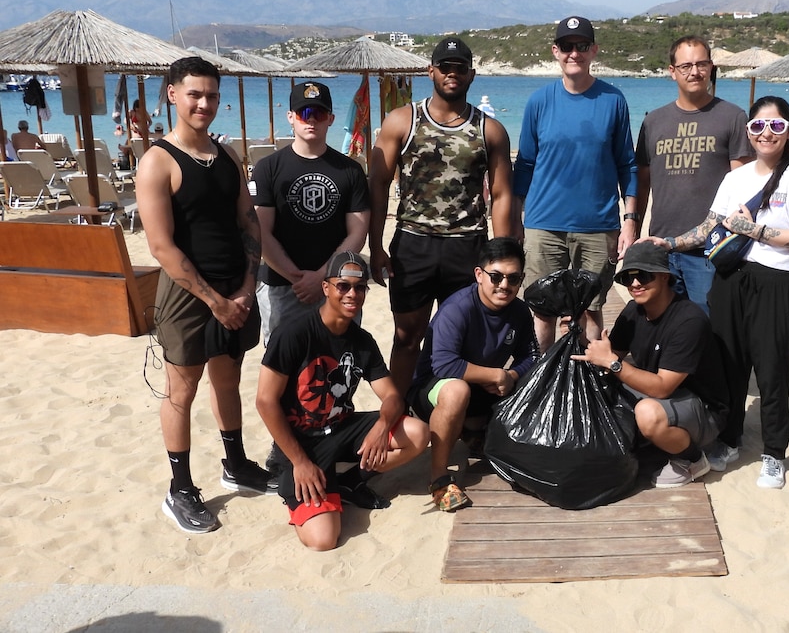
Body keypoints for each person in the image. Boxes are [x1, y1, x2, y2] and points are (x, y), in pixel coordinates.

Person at [646, 96, 789, 489]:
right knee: (730, 365)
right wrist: (670, 244)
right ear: (749, 132)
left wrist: (755, 230)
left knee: (772, 370)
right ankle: (729, 438)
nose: (767, 134)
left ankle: (774, 454)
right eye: (759, 126)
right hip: (730, 279)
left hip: (777, 284)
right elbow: (710, 227)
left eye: (776, 126)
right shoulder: (735, 179)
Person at [136, 56, 274, 534]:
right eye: (194, 94)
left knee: (227, 379)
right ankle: (179, 489)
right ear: (172, 94)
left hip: (235, 288)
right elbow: (161, 246)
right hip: (187, 296)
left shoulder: (226, 156)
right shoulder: (158, 162)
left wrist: (245, 287)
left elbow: (248, 221)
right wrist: (216, 300)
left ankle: (235, 462)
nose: (204, 103)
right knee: (182, 390)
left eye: (212, 95)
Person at [368, 36, 514, 396]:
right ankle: (398, 414)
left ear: (471, 75)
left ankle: (463, 418)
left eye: (460, 68)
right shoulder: (402, 121)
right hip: (413, 245)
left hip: (468, 248)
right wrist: (375, 246)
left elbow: (502, 195)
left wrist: (504, 255)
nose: (452, 74)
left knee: (465, 339)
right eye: (445, 67)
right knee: (406, 337)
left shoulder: (489, 130)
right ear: (430, 71)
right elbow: (377, 186)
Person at [255, 251, 429, 550]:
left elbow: (391, 396)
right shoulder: (294, 333)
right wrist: (299, 462)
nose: (352, 294)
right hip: (302, 444)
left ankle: (349, 481)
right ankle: (313, 486)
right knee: (323, 540)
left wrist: (380, 427)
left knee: (418, 433)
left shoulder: (362, 341)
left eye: (360, 287)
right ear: (326, 288)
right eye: (343, 286)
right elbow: (265, 402)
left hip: (340, 428)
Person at [514, 16, 639, 352]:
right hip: (543, 225)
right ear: (556, 51)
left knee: (592, 310)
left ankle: (590, 381)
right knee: (541, 310)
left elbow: (627, 164)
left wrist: (630, 221)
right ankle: (541, 379)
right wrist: (515, 218)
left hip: (598, 226)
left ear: (593, 50)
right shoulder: (539, 102)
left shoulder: (613, 101)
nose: (574, 53)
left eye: (581, 46)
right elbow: (524, 164)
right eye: (567, 46)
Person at [570, 241, 729, 488]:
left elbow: (661, 387)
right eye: (627, 278)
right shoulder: (634, 310)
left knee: (648, 414)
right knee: (595, 385)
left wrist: (612, 363)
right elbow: (607, 356)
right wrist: (577, 334)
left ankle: (693, 460)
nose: (635, 284)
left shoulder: (689, 320)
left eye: (644, 275)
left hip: (703, 409)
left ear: (665, 276)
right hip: (660, 393)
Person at [407, 237, 538, 511]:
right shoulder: (457, 308)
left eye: (513, 278)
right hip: (434, 391)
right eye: (496, 276)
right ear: (479, 274)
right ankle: (440, 478)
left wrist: (511, 376)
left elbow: (532, 357)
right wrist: (494, 375)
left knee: (538, 381)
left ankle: (476, 432)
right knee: (457, 390)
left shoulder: (520, 311)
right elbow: (443, 365)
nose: (504, 285)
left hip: (485, 387)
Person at [634, 35, 754, 314]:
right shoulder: (653, 121)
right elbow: (642, 182)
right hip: (661, 247)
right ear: (672, 71)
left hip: (710, 251)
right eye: (686, 65)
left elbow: (742, 188)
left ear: (711, 67)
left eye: (701, 64)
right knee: (666, 328)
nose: (694, 71)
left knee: (710, 326)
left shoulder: (732, 117)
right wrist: (635, 229)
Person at [250, 80, 369, 342]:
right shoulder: (267, 169)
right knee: (283, 368)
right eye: (304, 113)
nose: (311, 120)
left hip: (338, 286)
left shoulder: (351, 171)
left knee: (338, 364)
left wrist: (323, 277)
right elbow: (262, 232)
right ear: (290, 117)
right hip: (283, 285)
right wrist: (299, 279)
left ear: (331, 119)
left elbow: (358, 232)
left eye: (319, 113)